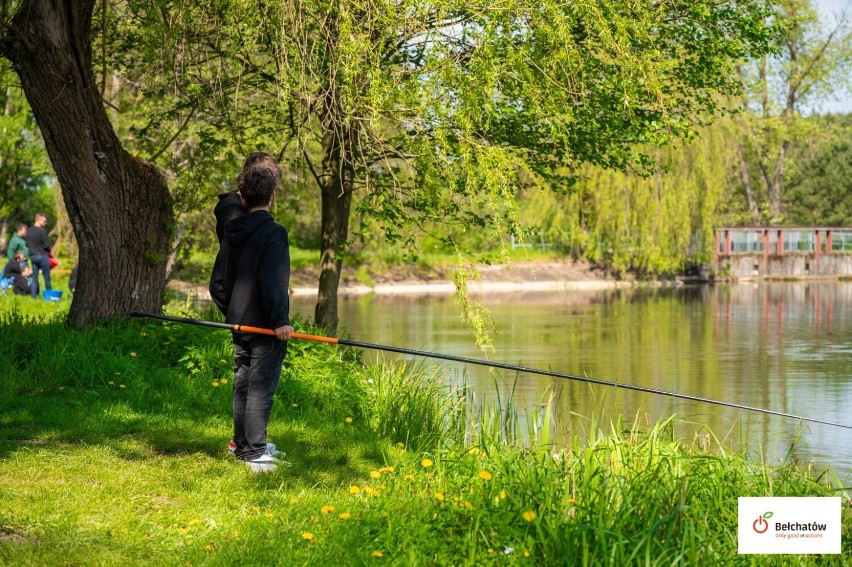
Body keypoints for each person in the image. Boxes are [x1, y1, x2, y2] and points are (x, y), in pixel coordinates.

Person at [209, 152, 293, 473]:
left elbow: (217, 283)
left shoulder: (233, 232)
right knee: (260, 386)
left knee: (243, 383)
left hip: (240, 323)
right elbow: (273, 282)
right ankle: (256, 452)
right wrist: (279, 321)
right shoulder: (274, 232)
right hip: (264, 327)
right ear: (271, 195)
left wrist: (232, 313)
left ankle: (243, 446)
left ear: (243, 196)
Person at [25, 213, 53, 299]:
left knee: (34, 278)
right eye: (44, 221)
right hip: (41, 256)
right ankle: (50, 296)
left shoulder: (28, 231)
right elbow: (46, 246)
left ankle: (33, 297)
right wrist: (50, 252)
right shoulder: (42, 231)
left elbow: (26, 244)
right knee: (47, 278)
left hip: (33, 257)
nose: (46, 223)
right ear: (39, 220)